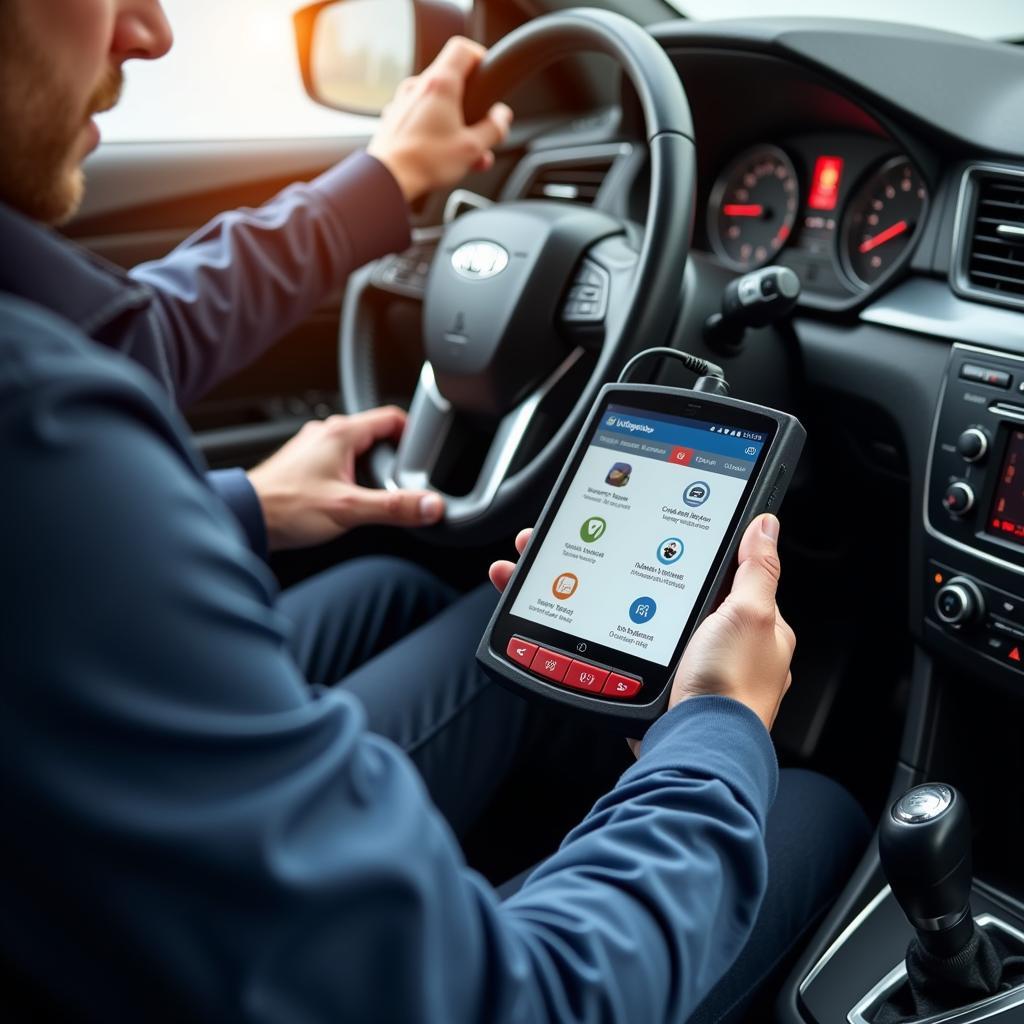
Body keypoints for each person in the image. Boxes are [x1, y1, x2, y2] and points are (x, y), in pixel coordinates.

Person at [0, 1, 870, 1020]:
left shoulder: (41, 391)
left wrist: (235, 507)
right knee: (817, 805)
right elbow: (514, 999)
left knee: (414, 591)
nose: (149, 29)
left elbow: (119, 340)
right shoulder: (46, 430)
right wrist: (719, 730)